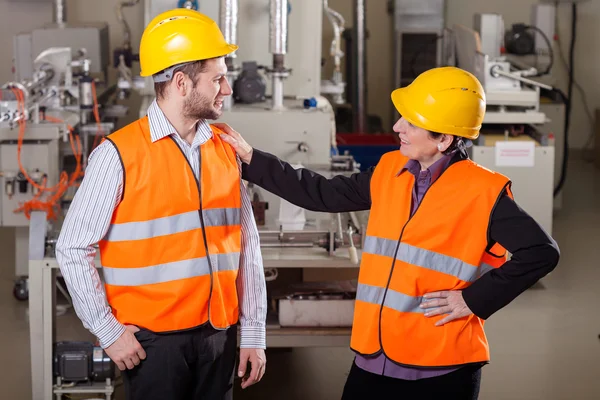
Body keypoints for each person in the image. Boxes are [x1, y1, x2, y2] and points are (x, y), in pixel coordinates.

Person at [216, 66, 560, 399]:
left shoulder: (484, 193)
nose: (398, 127)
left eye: (411, 123)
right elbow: (320, 192)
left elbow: (541, 253)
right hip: (373, 358)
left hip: (441, 369)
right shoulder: (390, 170)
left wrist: (472, 300)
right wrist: (252, 159)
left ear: (444, 139)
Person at [56, 9, 267, 400]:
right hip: (154, 347)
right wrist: (108, 331)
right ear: (182, 82)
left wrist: (253, 331)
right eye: (218, 78)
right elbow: (71, 247)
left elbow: (246, 246)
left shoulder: (225, 148)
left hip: (219, 337)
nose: (228, 89)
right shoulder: (119, 154)